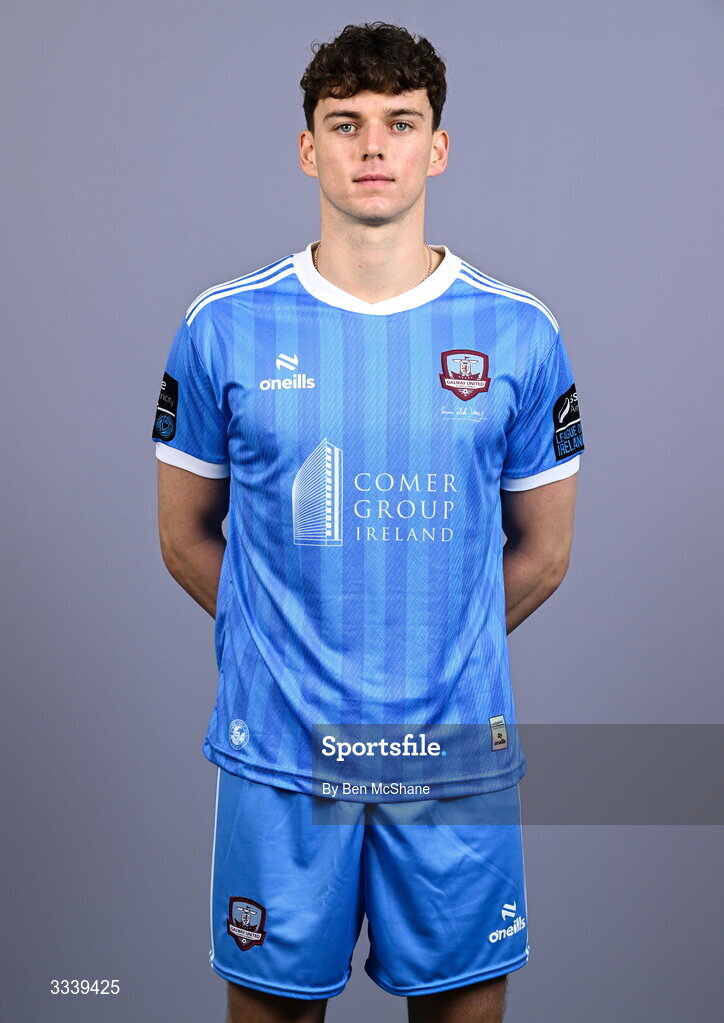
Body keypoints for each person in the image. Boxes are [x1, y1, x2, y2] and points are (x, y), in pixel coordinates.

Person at [152, 21, 584, 1023]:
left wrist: (432, 650)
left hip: (450, 755)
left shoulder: (518, 332)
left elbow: (545, 553)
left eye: (400, 122)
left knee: (461, 1008)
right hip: (282, 755)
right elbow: (183, 537)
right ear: (309, 148)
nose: (373, 146)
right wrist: (281, 649)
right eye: (345, 125)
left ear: (438, 146)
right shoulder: (222, 326)